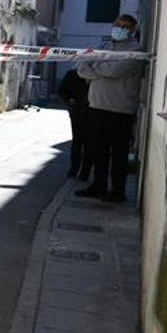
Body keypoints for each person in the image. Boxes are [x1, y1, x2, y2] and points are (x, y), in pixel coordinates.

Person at [74, 15, 145, 203]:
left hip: (120, 110)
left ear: (132, 30)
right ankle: (98, 186)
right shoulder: (103, 47)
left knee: (119, 153)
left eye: (125, 26)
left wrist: (96, 68)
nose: (120, 28)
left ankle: (117, 191)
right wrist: (102, 68)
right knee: (98, 150)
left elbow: (115, 71)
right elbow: (81, 68)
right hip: (96, 106)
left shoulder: (136, 51)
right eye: (117, 25)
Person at [56, 67, 91, 180]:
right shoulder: (72, 74)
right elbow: (61, 90)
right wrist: (69, 99)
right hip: (77, 112)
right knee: (77, 141)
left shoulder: (96, 74)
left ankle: (85, 172)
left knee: (89, 143)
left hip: (92, 112)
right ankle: (74, 169)